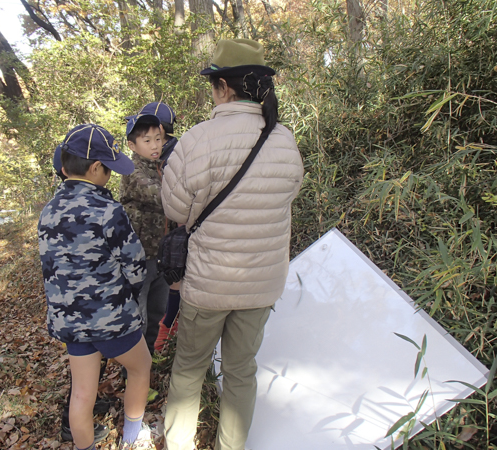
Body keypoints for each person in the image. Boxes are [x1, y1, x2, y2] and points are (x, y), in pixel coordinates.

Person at [160, 39, 305, 450]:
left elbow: (176, 207)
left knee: (189, 368)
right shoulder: (283, 139)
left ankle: (179, 444)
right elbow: (287, 194)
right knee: (241, 370)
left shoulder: (195, 140)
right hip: (261, 284)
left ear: (223, 87)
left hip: (208, 283)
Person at [38, 124, 154, 450]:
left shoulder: (48, 212)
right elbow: (135, 264)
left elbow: (52, 268)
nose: (110, 176)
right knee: (141, 366)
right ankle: (133, 434)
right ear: (94, 168)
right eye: (108, 169)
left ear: (63, 168)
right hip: (112, 317)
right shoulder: (108, 210)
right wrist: (126, 297)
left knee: (82, 392)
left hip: (70, 322)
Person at [51, 143, 113, 444]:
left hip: (67, 310)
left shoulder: (51, 210)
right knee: (83, 384)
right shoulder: (100, 207)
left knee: (84, 381)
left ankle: (79, 423)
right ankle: (73, 424)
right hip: (95, 308)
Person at [119, 102, 180, 355]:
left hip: (162, 257)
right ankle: (133, 375)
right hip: (140, 259)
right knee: (138, 318)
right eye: (147, 141)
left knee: (158, 313)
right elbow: (162, 196)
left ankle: (149, 364)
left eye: (158, 139)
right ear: (133, 146)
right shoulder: (133, 170)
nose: (155, 145)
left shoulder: (162, 168)